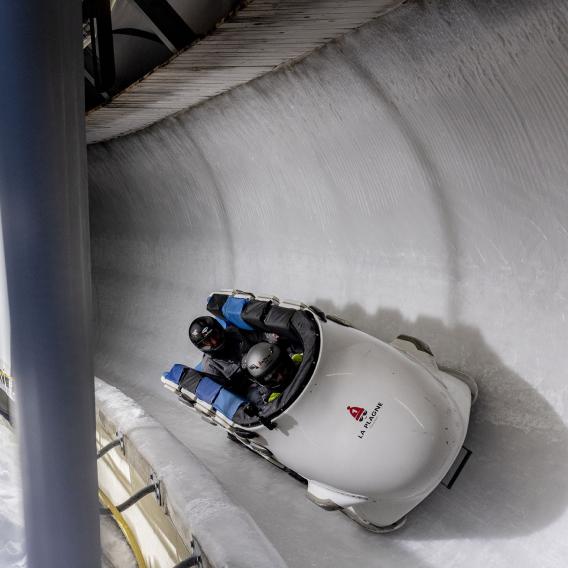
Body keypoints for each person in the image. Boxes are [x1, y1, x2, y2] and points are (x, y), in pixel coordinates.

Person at [188, 316, 277, 393]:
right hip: (252, 388)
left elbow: (260, 336)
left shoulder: (235, 332)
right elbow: (227, 393)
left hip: (269, 364)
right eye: (208, 341)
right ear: (202, 345)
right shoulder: (210, 367)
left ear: (219, 329)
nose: (215, 341)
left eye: (215, 334)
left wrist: (273, 337)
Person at [241, 342, 301, 407]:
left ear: (286, 359)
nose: (280, 377)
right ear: (261, 382)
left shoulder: (300, 359)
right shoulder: (273, 401)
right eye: (270, 376)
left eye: (281, 368)